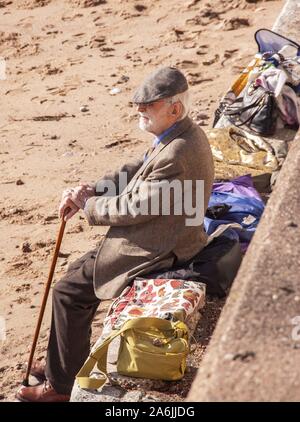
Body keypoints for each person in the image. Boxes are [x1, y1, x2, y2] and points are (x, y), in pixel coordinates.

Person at [16, 66, 214, 402]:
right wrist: (94, 188)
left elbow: (136, 207)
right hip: (164, 232)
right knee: (76, 278)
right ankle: (60, 364)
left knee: (69, 292)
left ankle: (60, 387)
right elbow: (136, 170)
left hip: (163, 245)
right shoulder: (177, 136)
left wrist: (89, 205)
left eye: (148, 105)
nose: (139, 109)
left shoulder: (179, 152)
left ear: (174, 109)